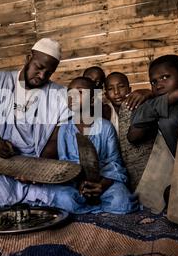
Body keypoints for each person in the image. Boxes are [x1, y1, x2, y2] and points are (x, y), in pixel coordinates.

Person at [0, 38, 69, 208]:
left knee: (65, 198)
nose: (42, 76)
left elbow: (55, 140)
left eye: (49, 73)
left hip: (38, 162)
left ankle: (29, 196)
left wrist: (36, 170)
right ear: (28, 57)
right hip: (2, 161)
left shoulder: (59, 95)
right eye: (39, 68)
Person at [54, 77, 139, 214]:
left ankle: (90, 207)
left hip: (104, 180)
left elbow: (115, 163)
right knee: (63, 199)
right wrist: (79, 182)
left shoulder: (105, 127)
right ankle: (91, 205)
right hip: (76, 183)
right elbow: (64, 163)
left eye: (80, 92)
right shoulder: (64, 129)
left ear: (93, 100)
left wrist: (102, 185)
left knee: (122, 202)